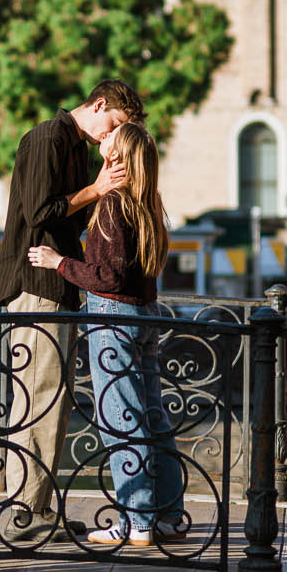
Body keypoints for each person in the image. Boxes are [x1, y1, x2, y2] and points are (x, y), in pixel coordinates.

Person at [0, 79, 146, 542]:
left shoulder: (76, 145)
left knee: (50, 401)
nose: (110, 135)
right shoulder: (46, 139)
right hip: (36, 284)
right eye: (113, 124)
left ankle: (36, 508)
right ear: (98, 105)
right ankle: (23, 514)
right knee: (38, 399)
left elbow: (70, 216)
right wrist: (97, 189)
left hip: (55, 285)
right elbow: (41, 213)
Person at [28, 122, 184, 547]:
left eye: (113, 136)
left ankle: (135, 521)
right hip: (144, 315)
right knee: (151, 417)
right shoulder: (147, 202)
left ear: (118, 156)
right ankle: (169, 515)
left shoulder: (114, 204)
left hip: (112, 316)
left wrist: (58, 261)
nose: (105, 136)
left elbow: (108, 275)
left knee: (122, 420)